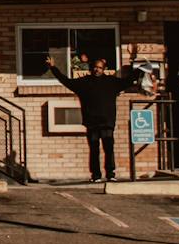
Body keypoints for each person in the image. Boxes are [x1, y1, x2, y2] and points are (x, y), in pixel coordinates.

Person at [47, 45, 140, 183]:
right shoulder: (84, 83)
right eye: (95, 67)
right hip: (92, 122)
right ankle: (96, 175)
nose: (97, 69)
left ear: (104, 69)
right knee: (94, 150)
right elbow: (66, 81)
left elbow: (127, 81)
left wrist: (139, 70)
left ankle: (110, 174)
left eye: (100, 67)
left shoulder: (111, 82)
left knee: (109, 148)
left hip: (107, 121)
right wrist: (53, 68)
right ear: (91, 68)